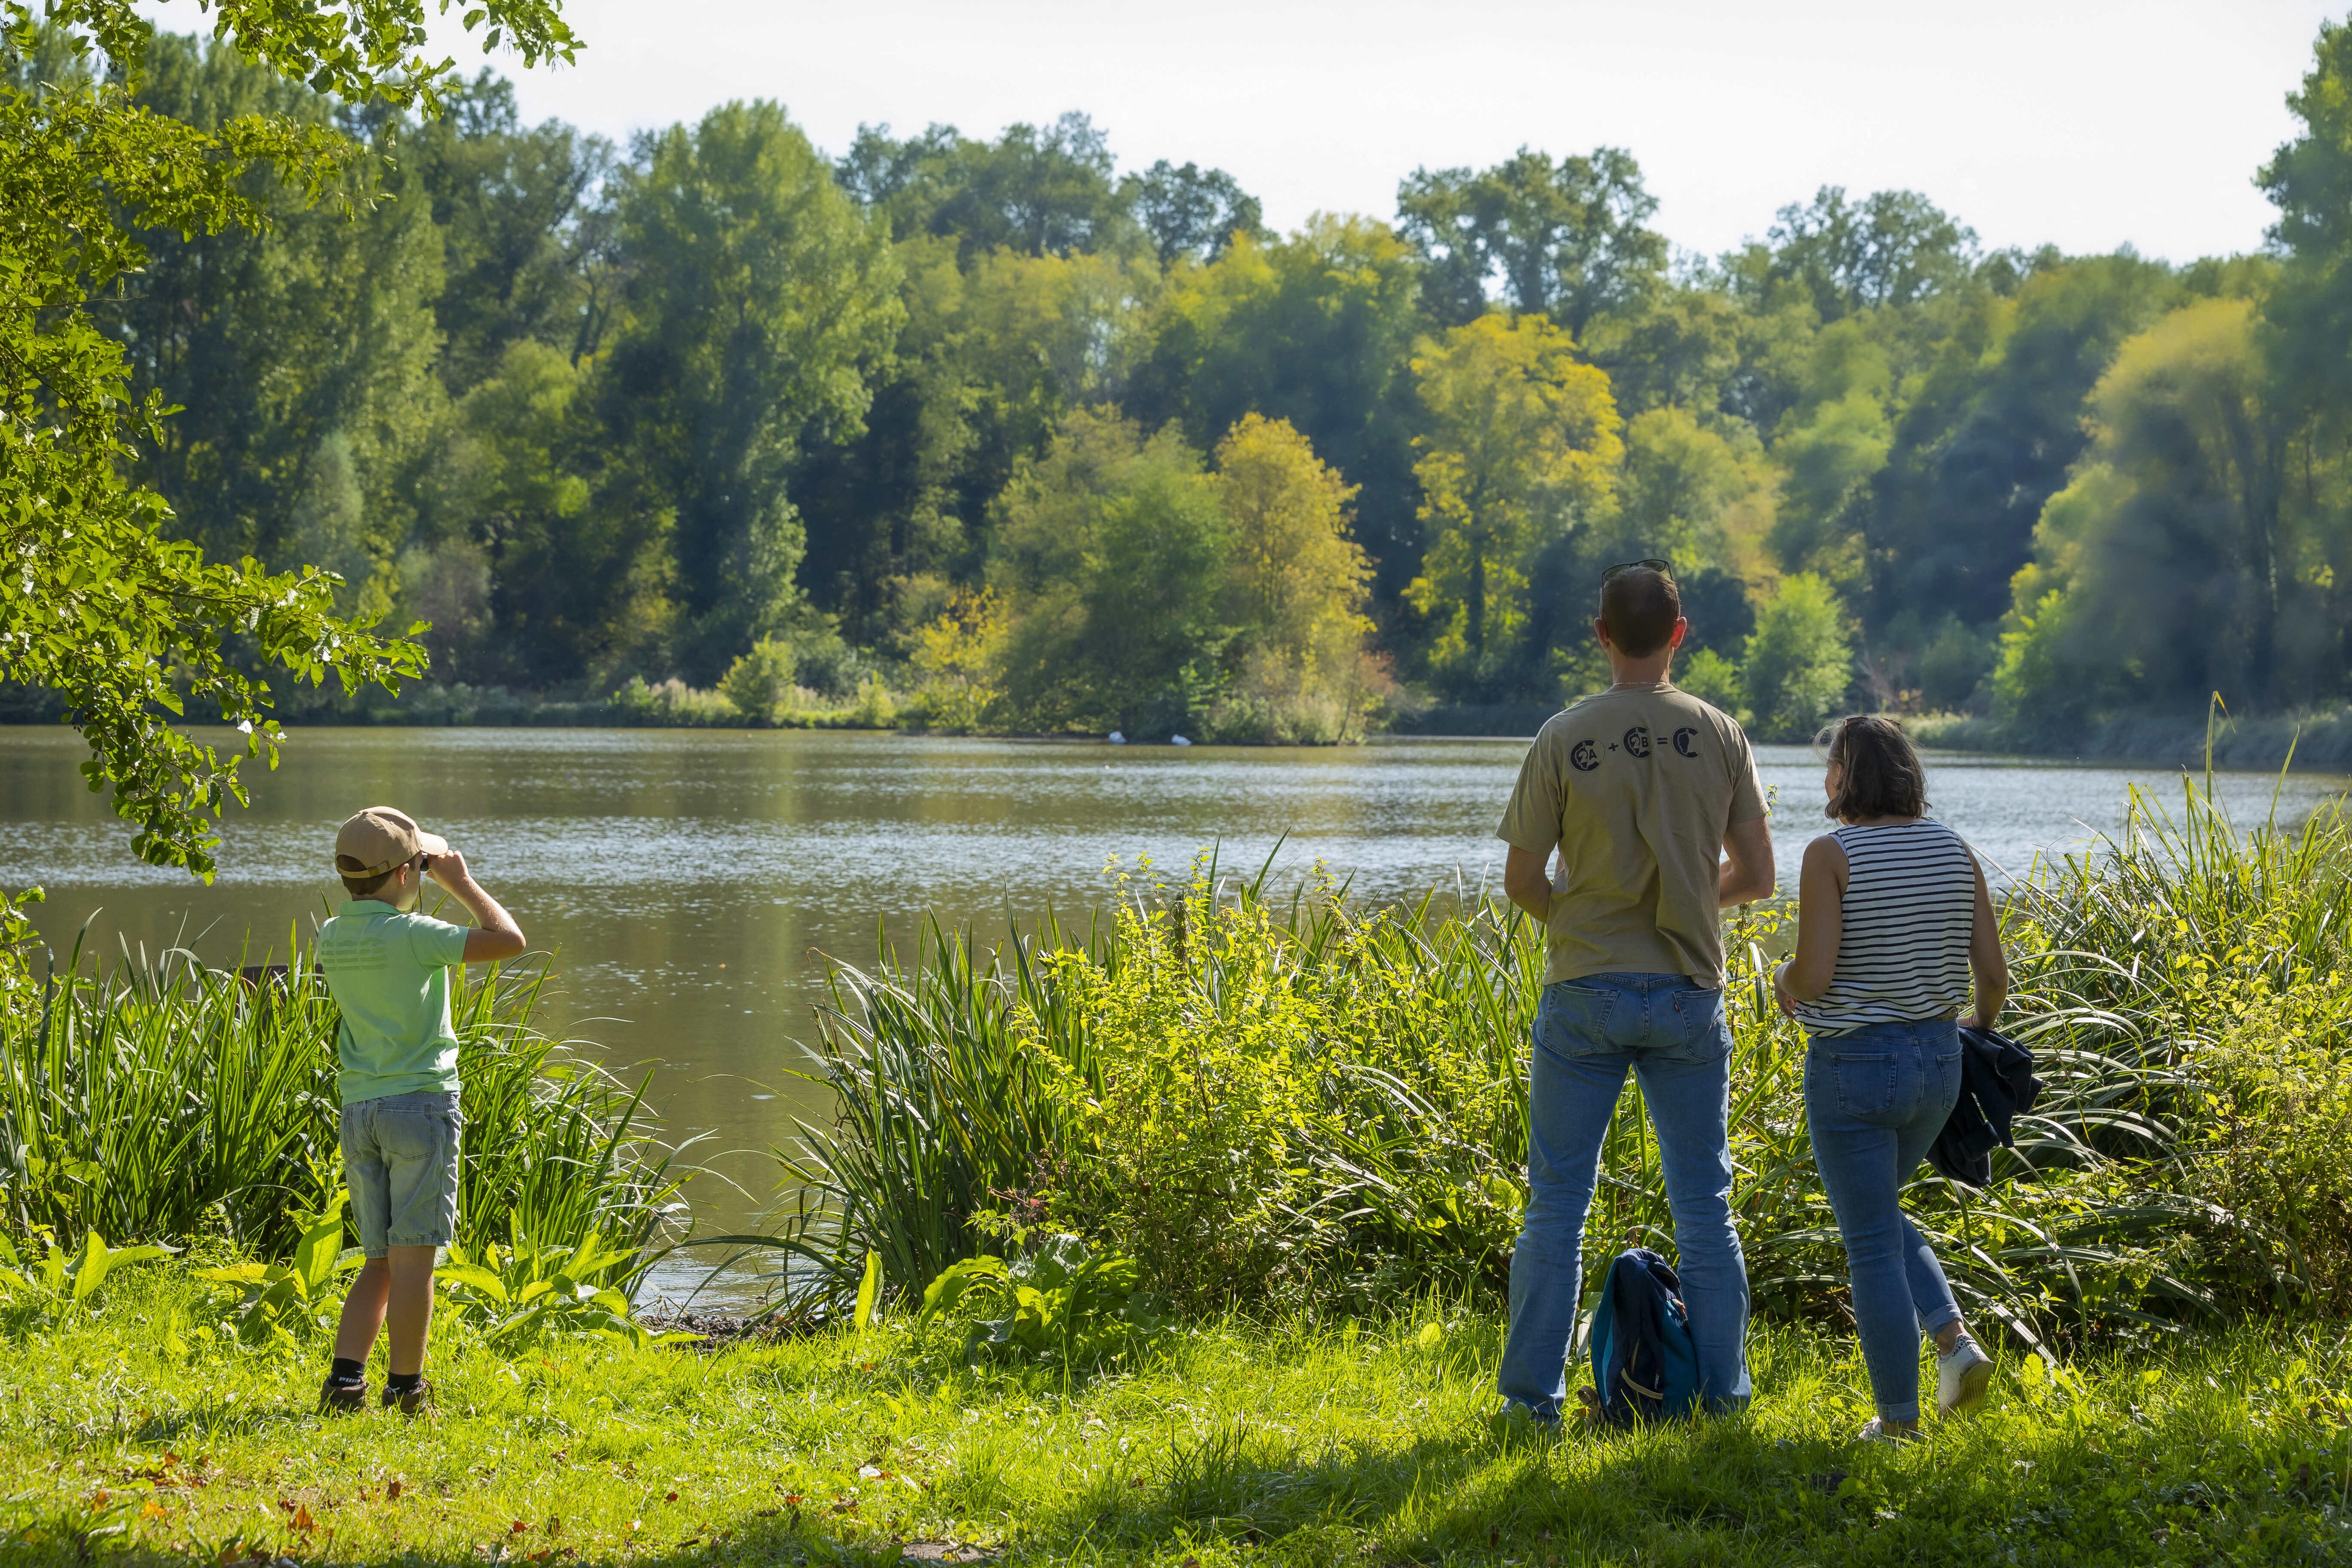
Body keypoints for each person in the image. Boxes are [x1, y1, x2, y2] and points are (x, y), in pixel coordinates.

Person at [1494, 560, 1777, 1424]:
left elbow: (1521, 881)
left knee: (1556, 1208)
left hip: (1585, 989)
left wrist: (1583, 920)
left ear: (1602, 634)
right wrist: (1688, 901)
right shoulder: (1721, 734)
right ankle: (1725, 1401)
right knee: (1706, 1211)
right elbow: (1758, 877)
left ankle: (1530, 1405)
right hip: (1688, 989)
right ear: (1680, 634)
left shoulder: (1562, 736)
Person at [1771, 717, 2005, 1442]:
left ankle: (1900, 1425)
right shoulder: (1955, 850)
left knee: (1870, 1239)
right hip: (1940, 1063)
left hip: (1855, 1067)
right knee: (1876, 1214)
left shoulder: (1830, 854)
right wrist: (1976, 1028)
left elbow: (1814, 977)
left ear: (1848, 775)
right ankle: (1954, 1344)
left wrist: (1781, 978)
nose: (1825, 780)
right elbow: (1993, 976)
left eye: (1830, 766)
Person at [315, 806, 524, 1415]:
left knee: (378, 1262)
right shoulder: (415, 936)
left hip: (361, 1110)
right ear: (407, 874)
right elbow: (510, 941)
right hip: (420, 1109)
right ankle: (407, 1390)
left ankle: (344, 1384)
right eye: (421, 867)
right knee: (414, 1265)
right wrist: (461, 883)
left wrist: (422, 868)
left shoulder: (333, 935)